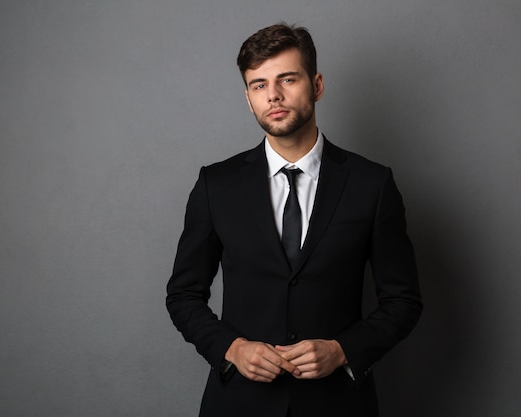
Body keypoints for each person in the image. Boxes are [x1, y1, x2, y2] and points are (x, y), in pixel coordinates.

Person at [166, 23, 422, 417]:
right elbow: (183, 295)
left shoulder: (372, 184)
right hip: (238, 405)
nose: (274, 96)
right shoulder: (215, 185)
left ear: (316, 85)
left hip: (337, 405)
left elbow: (403, 301)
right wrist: (233, 349)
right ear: (248, 99)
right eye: (259, 85)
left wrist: (342, 351)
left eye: (288, 78)